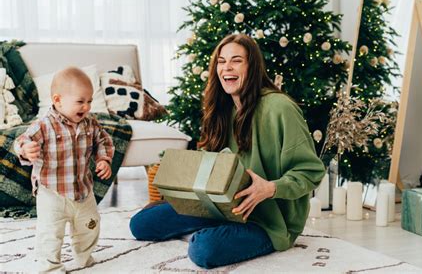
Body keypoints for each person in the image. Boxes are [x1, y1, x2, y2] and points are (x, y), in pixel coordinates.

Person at [129, 34, 325, 269]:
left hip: (267, 220)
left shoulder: (280, 108)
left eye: (236, 61)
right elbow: (213, 163)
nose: (226, 68)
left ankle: (223, 233)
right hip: (221, 207)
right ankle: (216, 226)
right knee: (141, 225)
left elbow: (311, 171)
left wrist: (270, 188)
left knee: (203, 249)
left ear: (252, 66)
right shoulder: (223, 107)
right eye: (221, 61)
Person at [14, 67, 114, 272]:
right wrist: (25, 150)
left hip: (83, 190)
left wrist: (104, 159)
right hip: (52, 193)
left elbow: (103, 140)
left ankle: (83, 257)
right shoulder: (44, 125)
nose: (86, 107)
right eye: (80, 101)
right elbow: (22, 140)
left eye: (89, 101)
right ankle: (50, 267)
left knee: (90, 227)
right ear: (58, 100)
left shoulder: (90, 123)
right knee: (50, 234)